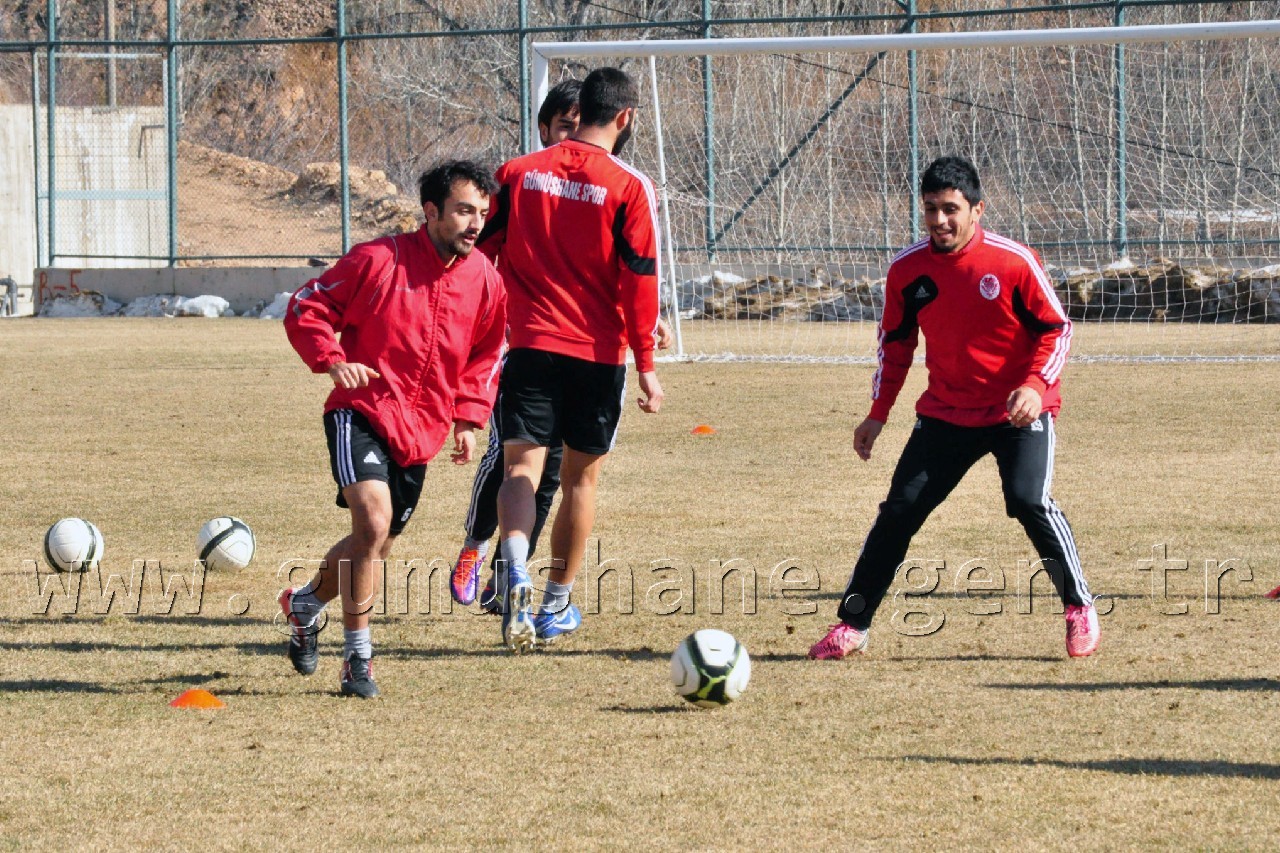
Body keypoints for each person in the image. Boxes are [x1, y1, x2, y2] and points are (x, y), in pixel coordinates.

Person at [809, 155, 1100, 661]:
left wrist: (1034, 387)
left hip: (1017, 413)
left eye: (950, 209)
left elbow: (1057, 330)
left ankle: (1079, 606)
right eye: (930, 210)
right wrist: (877, 414)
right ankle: (852, 624)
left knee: (1028, 500)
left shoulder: (1013, 262)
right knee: (898, 512)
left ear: (976, 209)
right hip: (946, 413)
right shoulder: (907, 271)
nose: (940, 221)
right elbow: (894, 347)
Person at [279, 160, 507, 697]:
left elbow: (487, 352)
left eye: (482, 212)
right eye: (463, 211)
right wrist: (333, 358)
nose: (475, 223)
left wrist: (469, 417)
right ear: (431, 212)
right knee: (374, 524)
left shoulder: (485, 280)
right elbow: (306, 306)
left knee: (374, 545)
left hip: (421, 432)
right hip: (360, 411)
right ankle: (359, 661)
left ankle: (305, 602)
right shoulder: (378, 259)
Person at [450, 78, 674, 614]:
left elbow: (480, 251)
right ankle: (554, 604)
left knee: (519, 472)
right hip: (598, 356)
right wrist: (647, 363)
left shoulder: (519, 173)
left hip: (529, 347)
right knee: (579, 481)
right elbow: (638, 278)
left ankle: (515, 567)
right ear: (625, 118)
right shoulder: (630, 186)